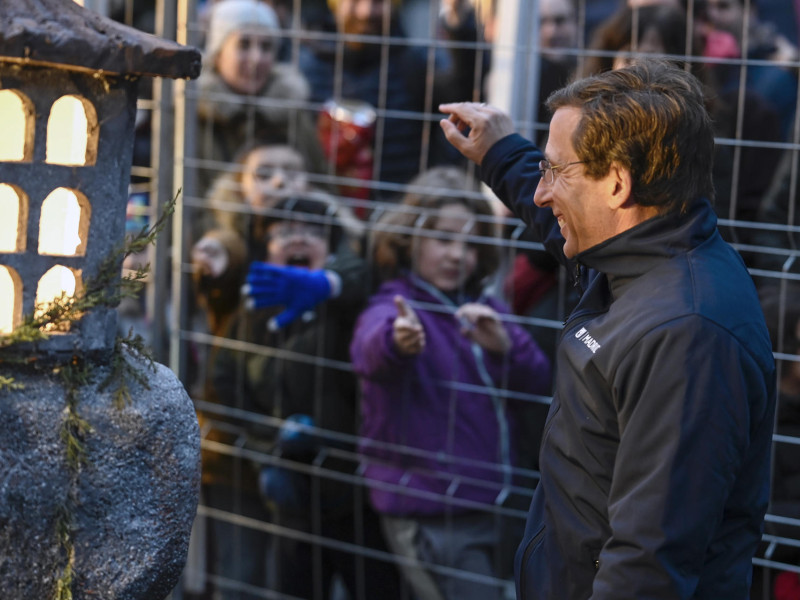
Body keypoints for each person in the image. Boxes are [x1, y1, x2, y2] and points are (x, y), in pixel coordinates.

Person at [439, 58, 777, 598]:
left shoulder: (685, 335)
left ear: (618, 184)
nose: (544, 194)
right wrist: (501, 152)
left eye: (556, 171)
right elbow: (561, 219)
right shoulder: (642, 251)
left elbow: (648, 563)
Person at [349, 166, 552, 600]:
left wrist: (503, 348)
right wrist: (398, 342)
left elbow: (537, 378)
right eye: (443, 239)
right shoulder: (395, 306)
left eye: (471, 243)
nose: (458, 254)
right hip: (429, 510)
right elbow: (369, 349)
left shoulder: (483, 306)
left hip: (489, 502)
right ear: (409, 240)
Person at [209, 194, 401, 600]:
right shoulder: (253, 310)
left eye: (312, 232)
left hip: (355, 491)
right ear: (266, 247)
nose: (298, 240)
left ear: (331, 245)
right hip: (291, 492)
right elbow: (226, 385)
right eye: (284, 232)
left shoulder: (348, 296)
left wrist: (324, 284)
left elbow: (359, 274)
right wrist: (270, 439)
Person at [298, 0, 484, 201]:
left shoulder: (416, 63)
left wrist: (460, 24)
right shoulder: (304, 66)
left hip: (399, 212)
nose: (366, 12)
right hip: (322, 211)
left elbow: (463, 90)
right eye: (354, 1)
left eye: (378, 2)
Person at [194, 0, 324, 202]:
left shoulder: (291, 110)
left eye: (266, 47)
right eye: (244, 45)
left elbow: (323, 185)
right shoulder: (193, 113)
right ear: (217, 54)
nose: (256, 58)